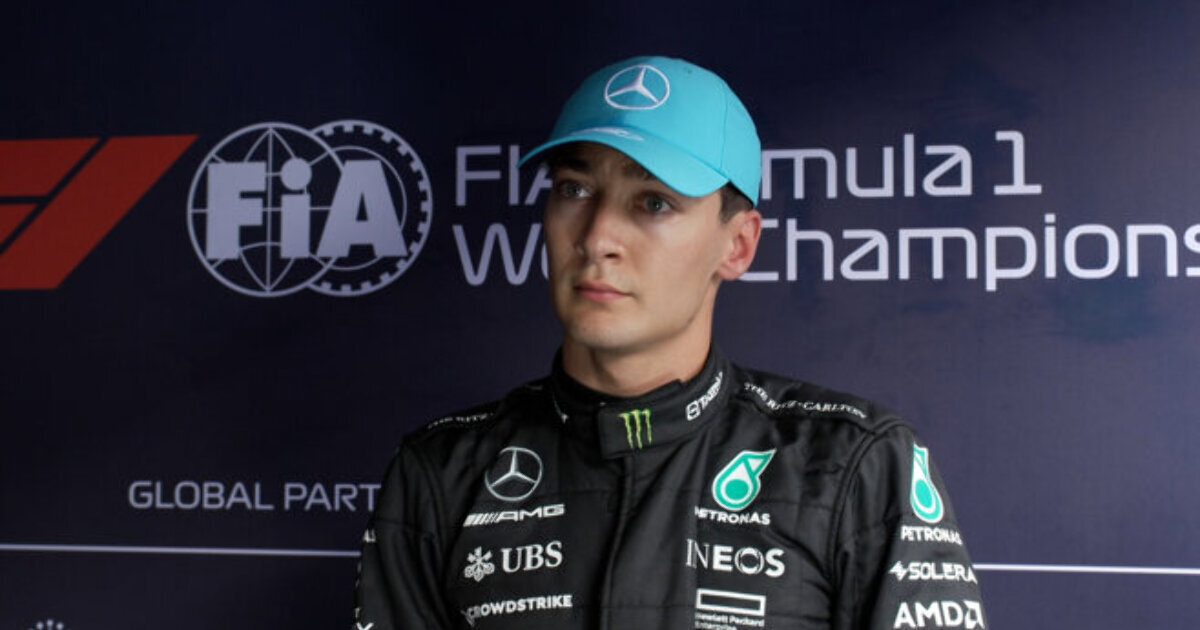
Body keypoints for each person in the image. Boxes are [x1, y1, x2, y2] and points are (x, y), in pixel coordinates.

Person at [354, 55, 987, 630]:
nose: (597, 237)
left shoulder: (856, 466)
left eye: (653, 202)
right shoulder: (440, 473)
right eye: (574, 189)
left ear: (737, 244)